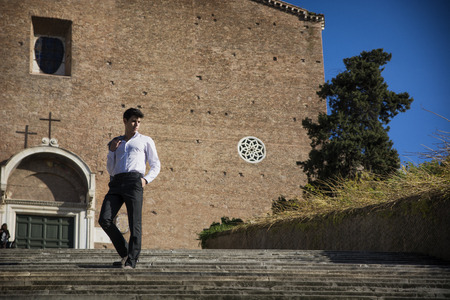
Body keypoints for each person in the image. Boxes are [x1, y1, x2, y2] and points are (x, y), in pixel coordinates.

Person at [99, 108, 161, 269]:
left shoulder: (145, 140)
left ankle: (132, 261)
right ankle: (126, 252)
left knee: (135, 223)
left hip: (134, 181)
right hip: (116, 181)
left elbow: (155, 164)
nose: (136, 125)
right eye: (133, 121)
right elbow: (111, 169)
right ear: (125, 121)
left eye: (139, 122)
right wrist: (111, 151)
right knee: (104, 219)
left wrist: (145, 180)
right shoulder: (116, 142)